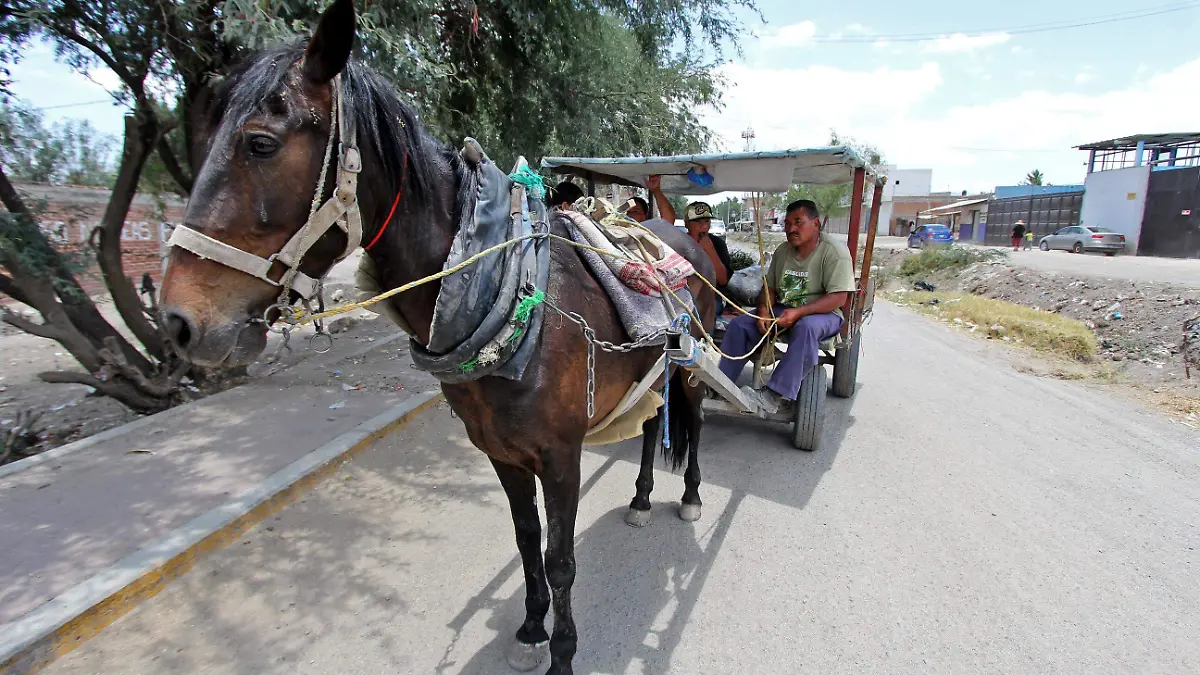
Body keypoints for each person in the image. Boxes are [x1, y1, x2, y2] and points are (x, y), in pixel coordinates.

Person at [717, 199, 855, 414]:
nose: (791, 229)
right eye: (788, 223)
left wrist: (799, 313)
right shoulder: (783, 251)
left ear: (816, 224)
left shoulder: (834, 252)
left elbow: (838, 298)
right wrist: (763, 311)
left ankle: (775, 394)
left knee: (806, 328)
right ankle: (720, 385)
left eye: (798, 222)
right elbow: (769, 288)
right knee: (741, 325)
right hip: (784, 308)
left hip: (823, 313)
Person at [681, 201, 733, 315]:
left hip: (713, 297)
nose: (704, 226)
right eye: (698, 222)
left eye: (707, 221)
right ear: (686, 224)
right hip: (683, 294)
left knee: (701, 313)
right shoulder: (680, 242)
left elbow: (723, 280)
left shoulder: (717, 244)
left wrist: (710, 250)